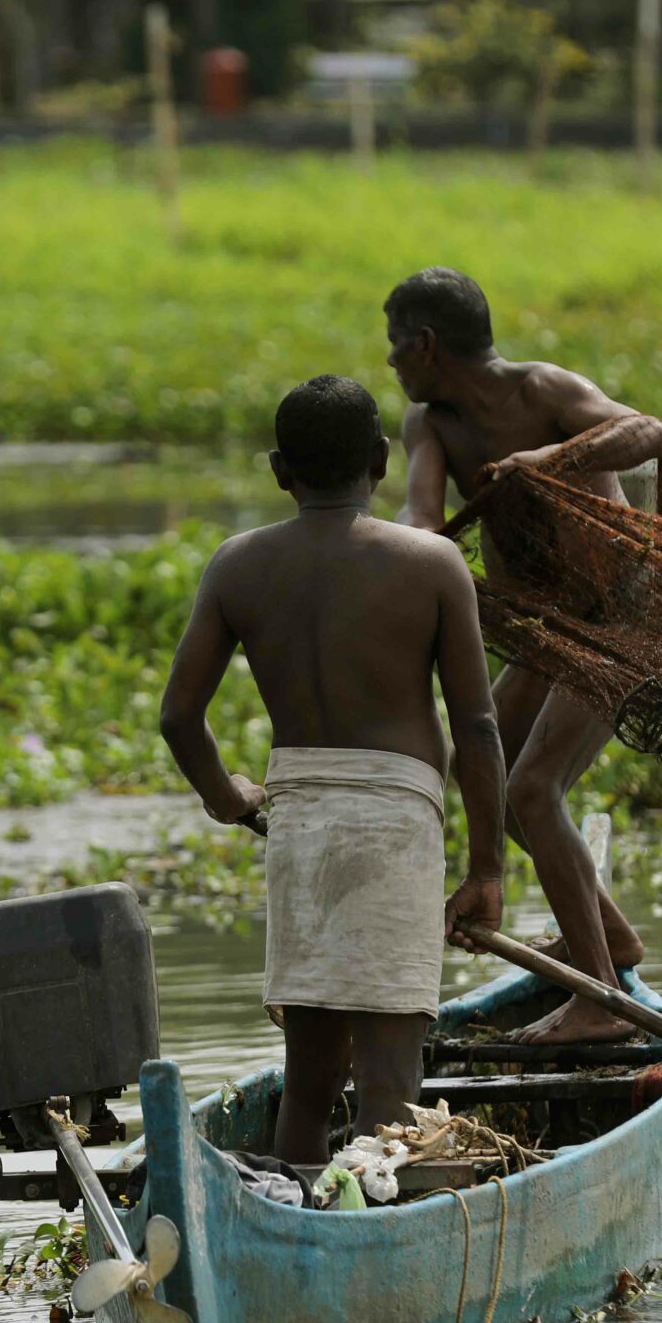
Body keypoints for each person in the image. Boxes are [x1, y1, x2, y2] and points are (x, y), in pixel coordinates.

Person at [159, 375, 508, 1164]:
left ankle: (296, 1203)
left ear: (280, 470)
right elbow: (478, 726)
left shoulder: (238, 565)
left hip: (301, 829)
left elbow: (179, 717)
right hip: (395, 830)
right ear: (382, 461)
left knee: (309, 1081)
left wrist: (229, 796)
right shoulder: (433, 564)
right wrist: (486, 868)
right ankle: (376, 1231)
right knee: (391, 1084)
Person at [383, 266, 662, 1045]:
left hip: (621, 617)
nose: (390, 365)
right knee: (477, 770)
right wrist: (379, 550)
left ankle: (602, 1001)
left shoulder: (542, 389)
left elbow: (649, 431)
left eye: (393, 347)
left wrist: (549, 461)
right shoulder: (429, 424)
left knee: (534, 786)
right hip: (552, 630)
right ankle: (607, 939)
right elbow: (421, 511)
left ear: (426, 343)